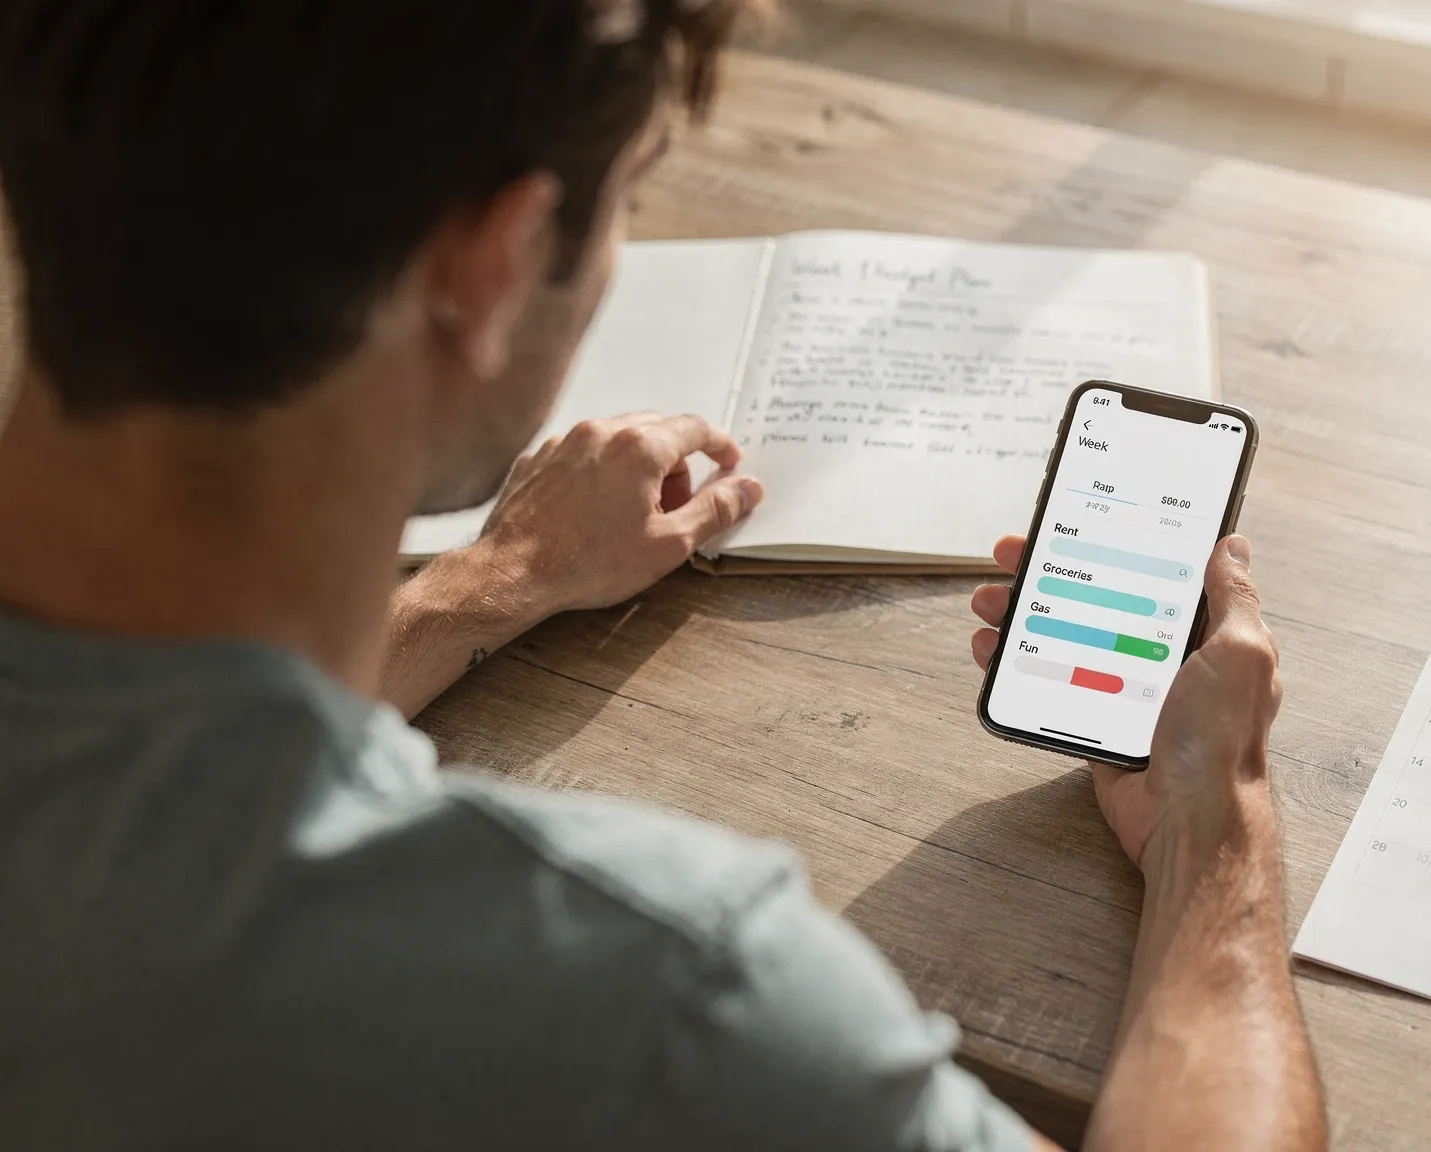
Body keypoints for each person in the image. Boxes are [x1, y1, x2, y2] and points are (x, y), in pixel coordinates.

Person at [0, 1, 1326, 1149]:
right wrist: (1216, 827)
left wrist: (482, 583)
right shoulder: (652, 996)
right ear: (495, 263)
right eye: (632, 191)